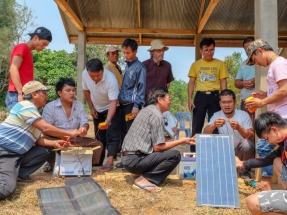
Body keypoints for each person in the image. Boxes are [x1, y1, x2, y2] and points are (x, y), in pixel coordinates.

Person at [0, 80, 81, 200]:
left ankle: (18, 174)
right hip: (6, 153)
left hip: (16, 154)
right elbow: (45, 128)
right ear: (34, 94)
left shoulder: (33, 112)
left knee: (47, 150)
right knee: (7, 188)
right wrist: (69, 133)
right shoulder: (25, 106)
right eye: (44, 93)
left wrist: (54, 143)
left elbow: (38, 140)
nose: (47, 96)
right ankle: (10, 174)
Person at [122, 87, 196, 193]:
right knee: (174, 155)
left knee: (167, 150)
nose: (170, 102)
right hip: (134, 160)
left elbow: (151, 140)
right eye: (169, 98)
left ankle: (138, 172)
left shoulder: (146, 110)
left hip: (128, 159)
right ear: (160, 99)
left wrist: (169, 137)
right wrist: (182, 140)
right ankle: (145, 178)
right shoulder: (157, 116)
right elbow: (158, 147)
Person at [245, 39, 287, 186]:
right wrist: (265, 94)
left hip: (283, 116)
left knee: (264, 147)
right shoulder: (275, 65)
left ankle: (266, 184)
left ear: (260, 51)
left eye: (255, 59)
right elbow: (280, 90)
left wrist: (262, 102)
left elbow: (285, 89)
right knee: (274, 153)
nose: (257, 63)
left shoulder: (279, 64)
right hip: (280, 115)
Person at [235, 112, 287, 215]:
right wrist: (242, 164)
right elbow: (266, 160)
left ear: (274, 130)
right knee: (276, 160)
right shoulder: (283, 143)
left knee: (252, 202)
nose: (268, 143)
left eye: (267, 138)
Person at [188, 37, 229, 152]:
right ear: (201, 51)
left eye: (211, 50)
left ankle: (214, 151)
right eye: (206, 50)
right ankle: (194, 152)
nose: (209, 52)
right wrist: (190, 99)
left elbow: (223, 81)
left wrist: (224, 98)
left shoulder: (220, 64)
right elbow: (191, 82)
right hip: (200, 97)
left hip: (215, 97)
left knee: (216, 124)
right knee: (197, 125)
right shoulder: (195, 65)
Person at [41, 78, 90, 172]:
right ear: (59, 93)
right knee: (45, 142)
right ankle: (52, 161)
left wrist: (84, 128)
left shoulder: (79, 105)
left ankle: (71, 160)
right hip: (57, 140)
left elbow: (85, 122)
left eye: (73, 90)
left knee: (97, 144)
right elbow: (46, 130)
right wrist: (65, 134)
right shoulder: (50, 107)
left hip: (75, 140)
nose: (72, 93)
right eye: (68, 90)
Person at [204, 89, 255, 178]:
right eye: (223, 102)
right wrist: (214, 125)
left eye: (229, 102)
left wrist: (239, 128)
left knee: (247, 144)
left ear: (234, 102)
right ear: (220, 104)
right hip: (225, 151)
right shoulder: (216, 115)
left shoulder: (243, 115)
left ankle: (243, 170)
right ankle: (225, 169)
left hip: (240, 151)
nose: (226, 105)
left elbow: (252, 137)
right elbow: (205, 133)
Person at [83, 58, 120, 171]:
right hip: (97, 108)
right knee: (99, 134)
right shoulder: (85, 74)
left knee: (112, 133)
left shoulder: (111, 79)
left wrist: (108, 120)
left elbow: (113, 101)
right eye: (92, 76)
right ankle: (98, 159)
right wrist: (91, 107)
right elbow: (86, 90)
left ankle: (110, 159)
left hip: (111, 107)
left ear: (102, 70)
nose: (95, 78)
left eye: (98, 75)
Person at [5, 27, 52, 111]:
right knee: (19, 123)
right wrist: (20, 93)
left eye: (46, 45)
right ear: (35, 38)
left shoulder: (28, 52)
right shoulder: (22, 47)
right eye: (44, 43)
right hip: (17, 94)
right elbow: (13, 68)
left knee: (26, 123)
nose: (44, 47)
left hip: (24, 94)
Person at [118, 38, 146, 131]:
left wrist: (136, 106)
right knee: (123, 132)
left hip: (132, 105)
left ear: (135, 52)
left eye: (128, 53)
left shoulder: (140, 67)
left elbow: (141, 88)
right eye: (124, 52)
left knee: (131, 133)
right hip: (124, 104)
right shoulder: (127, 65)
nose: (125, 55)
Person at [142, 39, 174, 106]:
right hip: (147, 103)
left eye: (163, 50)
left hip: (162, 103)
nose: (162, 52)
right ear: (152, 52)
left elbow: (168, 84)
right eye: (159, 50)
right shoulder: (144, 65)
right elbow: (139, 85)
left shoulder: (167, 65)